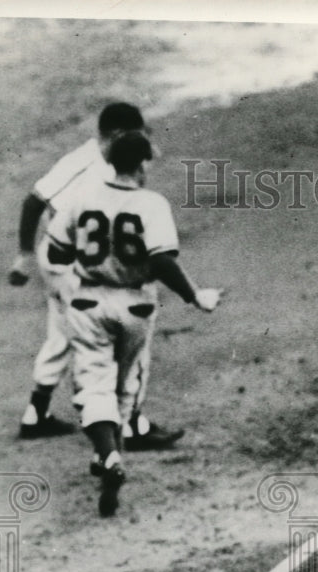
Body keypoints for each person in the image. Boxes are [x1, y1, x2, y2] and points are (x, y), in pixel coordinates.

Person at [46, 132, 223, 516]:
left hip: (88, 301)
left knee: (93, 385)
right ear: (142, 164)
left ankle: (107, 455)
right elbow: (161, 261)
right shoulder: (150, 203)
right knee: (126, 384)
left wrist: (75, 273)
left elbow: (57, 250)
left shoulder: (82, 195)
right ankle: (113, 455)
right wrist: (196, 296)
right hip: (135, 306)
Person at [9, 102, 182, 450]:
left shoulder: (108, 158)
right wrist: (24, 256)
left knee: (62, 333)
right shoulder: (84, 163)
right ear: (118, 134)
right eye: (136, 133)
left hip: (68, 259)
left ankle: (36, 414)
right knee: (127, 330)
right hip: (71, 265)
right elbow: (34, 201)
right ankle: (131, 424)